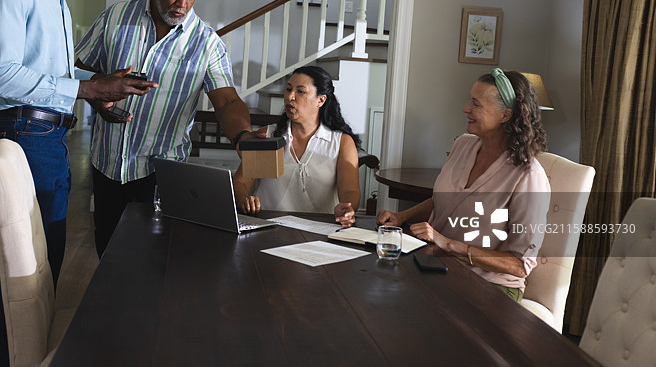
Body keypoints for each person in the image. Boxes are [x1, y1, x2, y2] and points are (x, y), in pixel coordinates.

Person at [0, 0, 156, 366]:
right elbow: (1, 74)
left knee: (38, 272)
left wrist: (98, 86)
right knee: (22, 274)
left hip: (42, 134)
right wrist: (88, 90)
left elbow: (49, 72)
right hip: (20, 134)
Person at [75, 0, 261, 257]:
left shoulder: (207, 44)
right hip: (106, 166)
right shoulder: (116, 18)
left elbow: (226, 100)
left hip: (160, 175)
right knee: (106, 254)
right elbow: (77, 69)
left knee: (152, 264)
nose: (182, 4)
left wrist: (243, 135)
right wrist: (99, 93)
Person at [377, 68, 550, 301]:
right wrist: (402, 217)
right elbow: (444, 200)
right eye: (470, 100)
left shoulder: (528, 176)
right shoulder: (463, 145)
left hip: (491, 288)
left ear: (505, 115)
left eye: (476, 104)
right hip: (435, 266)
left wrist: (447, 243)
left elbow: (519, 265)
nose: (465, 108)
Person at [233, 66, 362, 227]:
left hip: (320, 231)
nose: (290, 97)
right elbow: (240, 183)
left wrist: (347, 209)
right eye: (288, 89)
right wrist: (243, 199)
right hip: (267, 227)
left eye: (300, 91)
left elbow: (350, 190)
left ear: (321, 100)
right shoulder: (268, 136)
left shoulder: (341, 142)